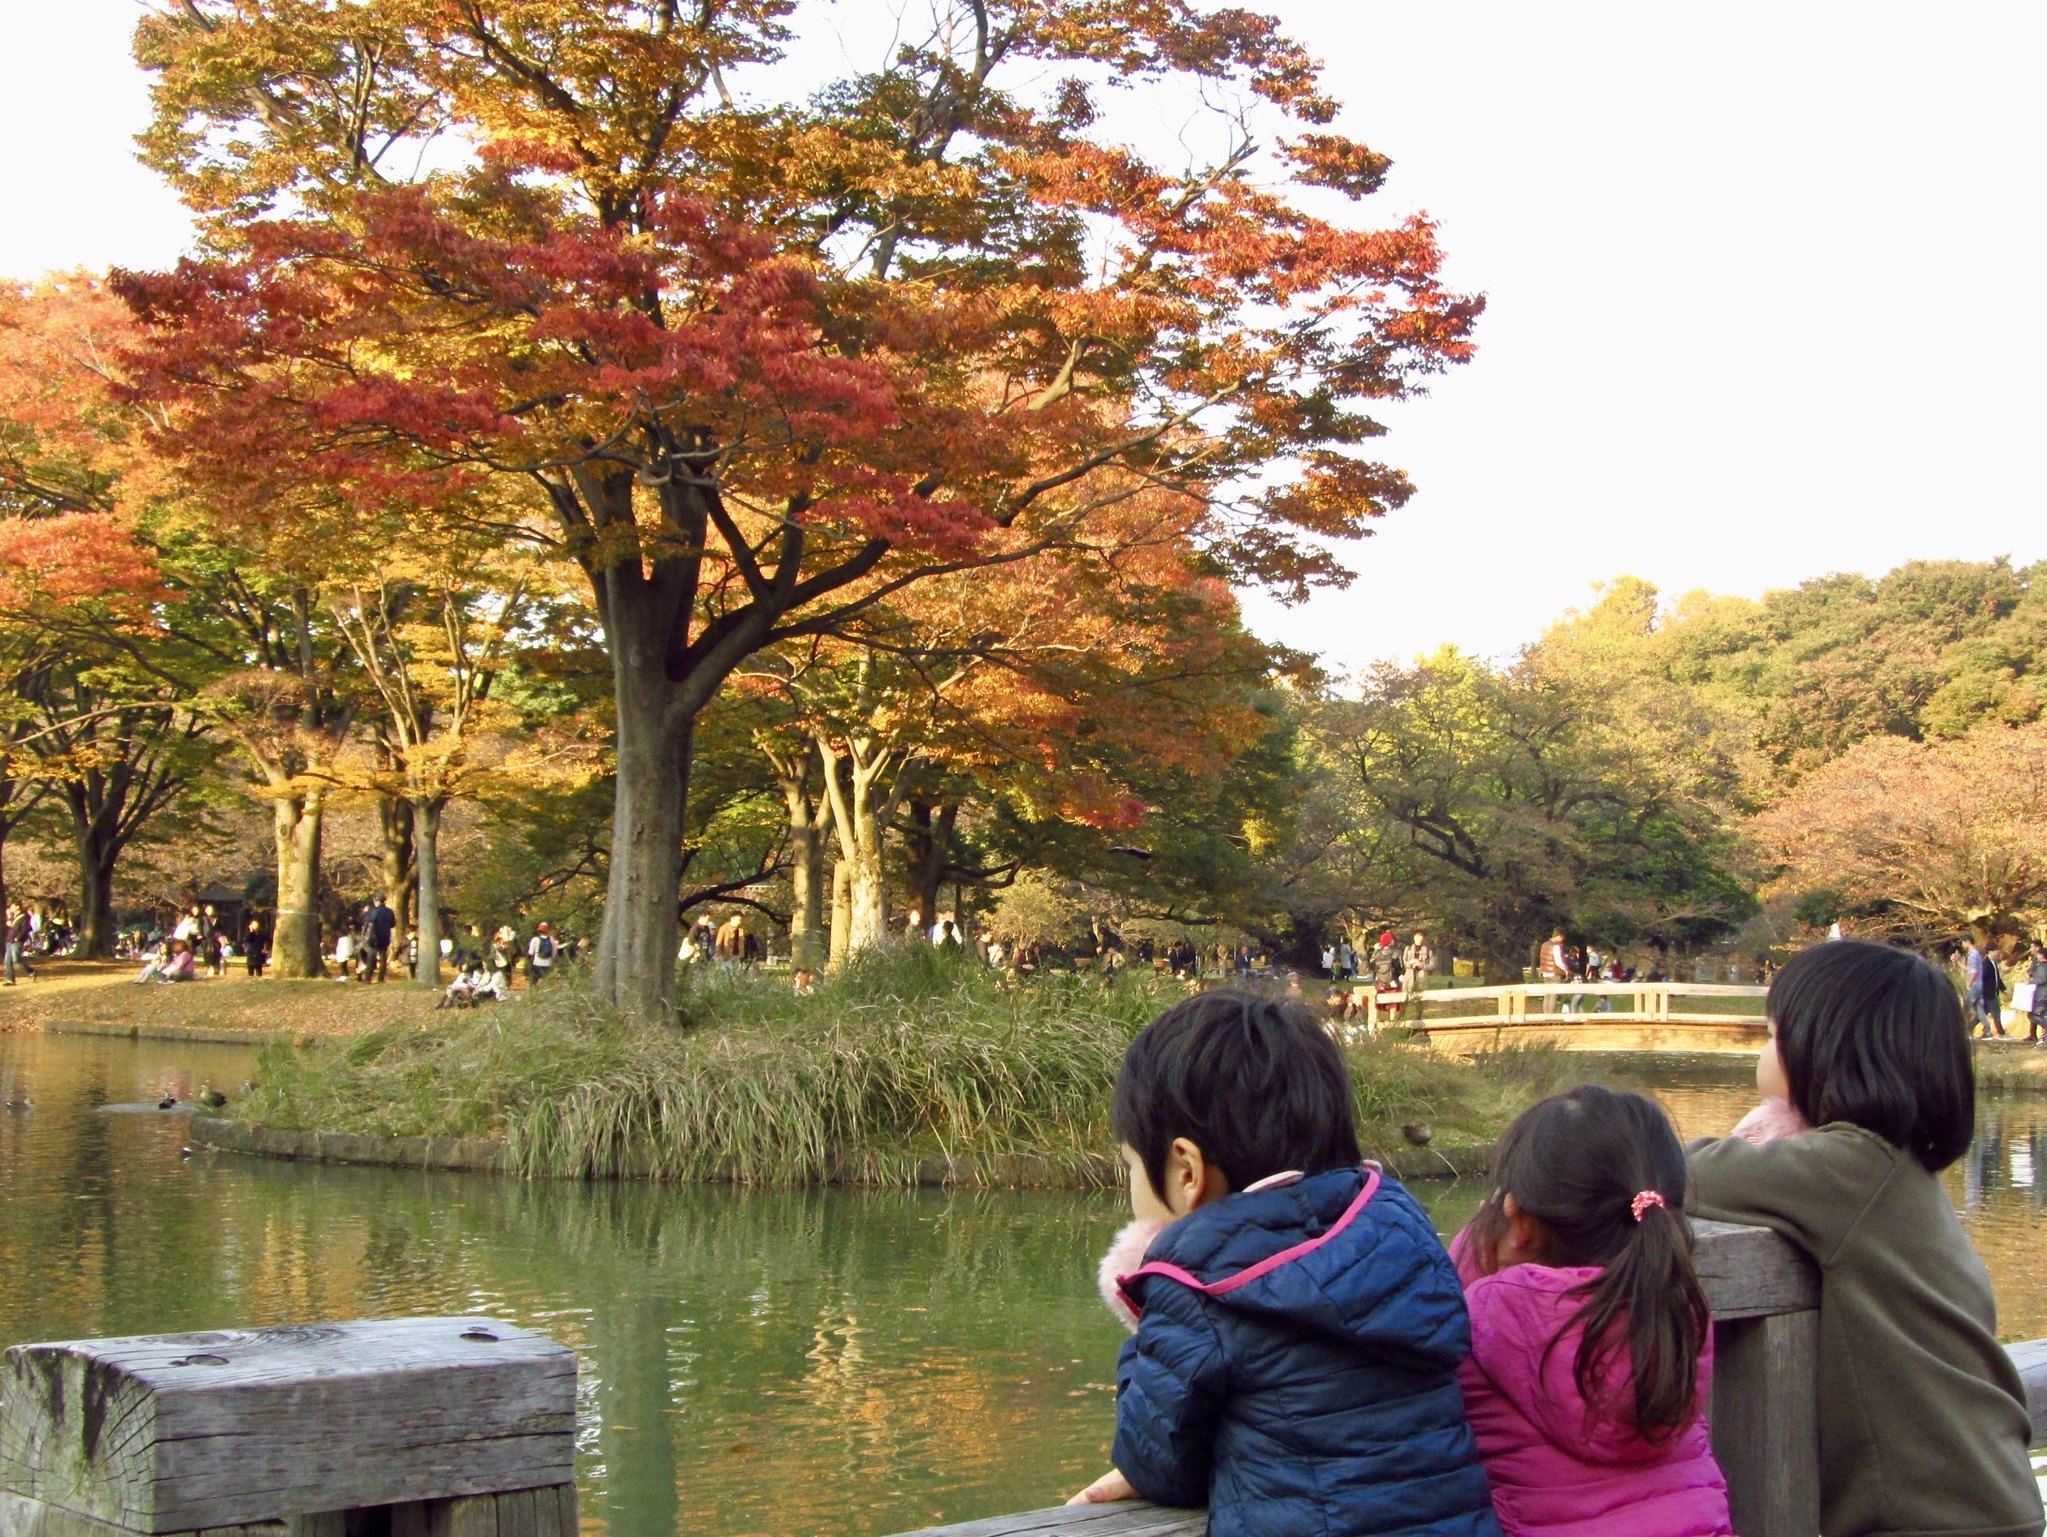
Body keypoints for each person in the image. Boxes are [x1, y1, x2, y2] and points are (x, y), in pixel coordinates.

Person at [1067, 990, 1499, 1535]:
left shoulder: (1200, 1284)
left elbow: (1157, 1461)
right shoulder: (1400, 1238)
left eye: (1130, 1164)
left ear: (1185, 1171)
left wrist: (1147, 1291)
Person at [1687, 940, 2041, 1537]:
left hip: (1928, 1513)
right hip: (1981, 1494)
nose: (1763, 1052)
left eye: (1772, 1036)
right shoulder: (1898, 1167)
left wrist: (1753, 1137)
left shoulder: (1848, 1168)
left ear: (1821, 1052)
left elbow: (1680, 1174)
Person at [1452, 1086, 1733, 1536]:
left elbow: (1457, 1296)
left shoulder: (1490, 1310)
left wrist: (1483, 1240)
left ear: (1518, 1220)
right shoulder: (1675, 1309)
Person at [1402, 929, 1436, 1020]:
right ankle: (1401, 1017)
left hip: (1421, 977)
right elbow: (1404, 962)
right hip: (1409, 977)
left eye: (1421, 937)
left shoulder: (1428, 950)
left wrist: (1421, 965)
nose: (1418, 939)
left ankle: (1419, 1017)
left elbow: (1432, 965)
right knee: (1405, 998)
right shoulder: (1408, 948)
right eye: (1417, 937)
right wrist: (1410, 964)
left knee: (1420, 999)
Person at [363, 894, 397, 983]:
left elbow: (369, 921)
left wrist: (366, 912)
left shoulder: (375, 911)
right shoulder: (390, 912)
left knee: (371, 957)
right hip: (385, 936)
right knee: (383, 958)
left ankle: (368, 978)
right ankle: (381, 978)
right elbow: (393, 924)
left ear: (376, 901)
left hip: (374, 937)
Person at [4, 904, 35, 985]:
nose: (11, 908)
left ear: (18, 907)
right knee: (7, 961)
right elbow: (10, 926)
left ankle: (31, 971)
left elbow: (25, 928)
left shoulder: (24, 916)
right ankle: (10, 980)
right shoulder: (13, 916)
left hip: (17, 940)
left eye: (12, 907)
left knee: (16, 959)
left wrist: (18, 937)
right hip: (9, 940)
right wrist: (9, 916)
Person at [2026, 944, 2047, 1045]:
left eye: (2038, 955)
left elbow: (2042, 979)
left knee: (2034, 1015)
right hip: (2041, 994)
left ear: (2042, 955)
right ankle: (2044, 1039)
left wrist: (2031, 981)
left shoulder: (2042, 967)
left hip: (2042, 995)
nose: (2037, 956)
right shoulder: (2039, 965)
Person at [526, 922, 557, 986]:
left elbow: (531, 953)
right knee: (546, 984)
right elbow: (554, 953)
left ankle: (533, 994)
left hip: (537, 964)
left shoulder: (535, 939)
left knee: (533, 983)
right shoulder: (551, 940)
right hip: (548, 964)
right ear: (547, 930)